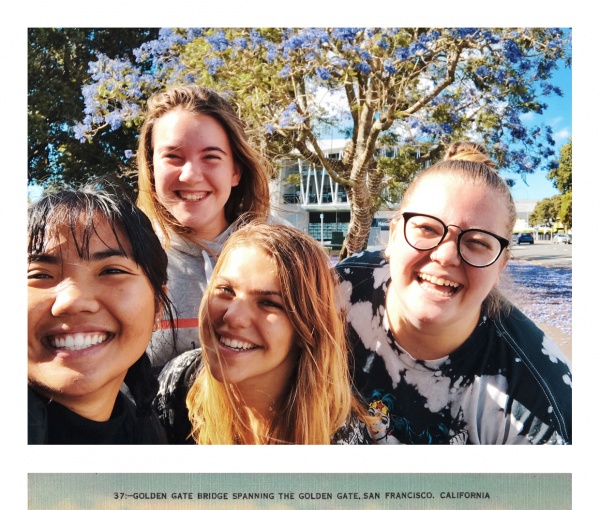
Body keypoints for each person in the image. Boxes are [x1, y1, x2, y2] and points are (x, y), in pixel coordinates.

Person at [336, 141, 572, 444]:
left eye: (477, 241)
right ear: (394, 236)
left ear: (500, 265)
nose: (446, 256)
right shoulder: (340, 289)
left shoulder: (538, 403)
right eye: (427, 229)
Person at [155, 222, 369, 444]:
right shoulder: (178, 382)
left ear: (307, 327)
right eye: (226, 290)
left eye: (269, 303)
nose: (233, 316)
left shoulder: (339, 437)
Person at [137, 84, 272, 368]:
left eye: (211, 157)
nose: (191, 175)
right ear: (151, 168)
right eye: (173, 157)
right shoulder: (127, 259)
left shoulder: (281, 254)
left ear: (235, 171)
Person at [28, 186, 175, 444]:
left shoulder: (149, 433)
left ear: (157, 307)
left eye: (111, 271)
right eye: (40, 275)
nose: (72, 301)